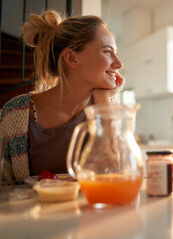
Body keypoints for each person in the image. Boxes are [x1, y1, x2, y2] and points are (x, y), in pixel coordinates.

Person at [0, 10, 125, 184]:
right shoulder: (15, 113)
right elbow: (3, 185)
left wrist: (104, 101)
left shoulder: (108, 107)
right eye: (107, 52)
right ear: (72, 58)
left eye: (115, 52)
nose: (119, 64)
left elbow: (119, 175)